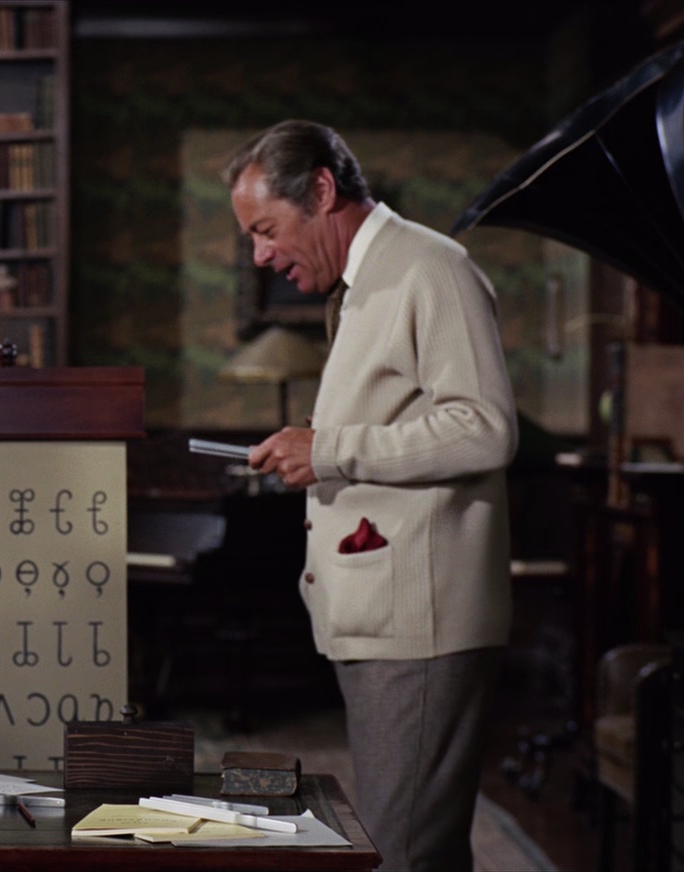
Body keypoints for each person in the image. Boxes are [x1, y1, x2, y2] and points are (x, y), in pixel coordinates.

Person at [224, 120, 516, 871]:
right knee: (409, 844)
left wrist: (328, 450)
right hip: (389, 617)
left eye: (265, 230)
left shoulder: (429, 269)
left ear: (321, 190)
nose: (260, 255)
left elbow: (484, 430)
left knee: (405, 852)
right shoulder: (366, 283)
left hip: (420, 625)